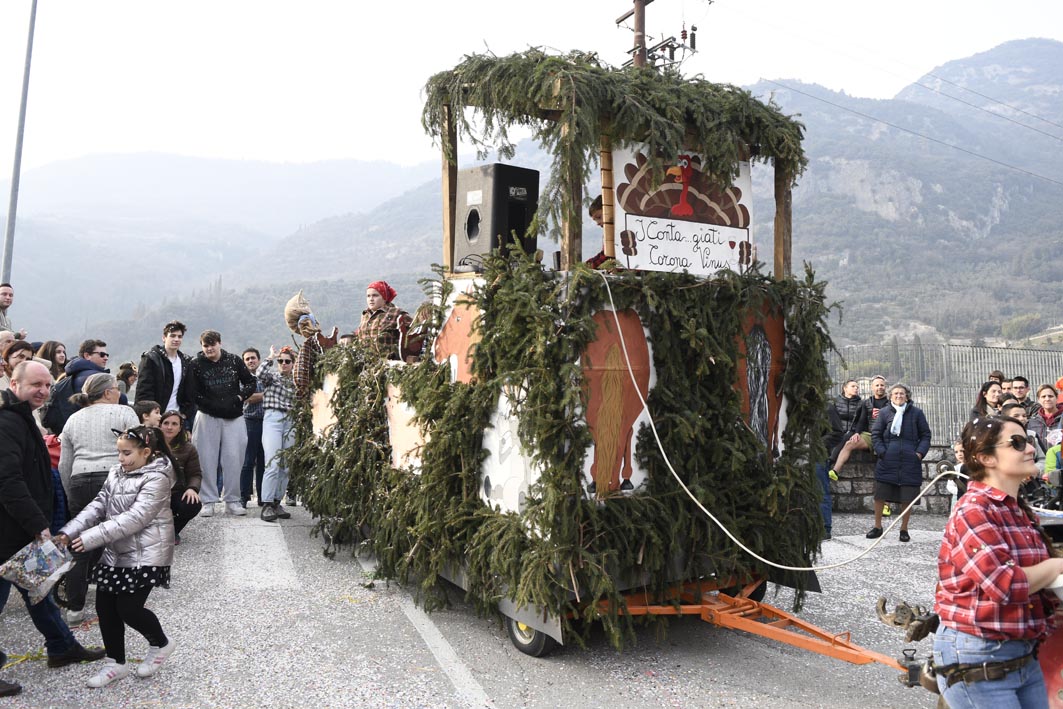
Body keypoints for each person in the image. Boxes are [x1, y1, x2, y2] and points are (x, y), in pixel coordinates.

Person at [932, 416, 1063, 707]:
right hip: (979, 658)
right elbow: (1005, 584)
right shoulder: (974, 510)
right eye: (1017, 443)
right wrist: (1056, 566)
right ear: (986, 458)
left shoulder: (1015, 509)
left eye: (1028, 440)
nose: (1030, 448)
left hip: (1022, 655)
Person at [0, 362, 106, 685]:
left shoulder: (21, 418)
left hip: (19, 528)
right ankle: (62, 646)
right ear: (14, 384)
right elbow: (7, 480)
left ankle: (61, 647)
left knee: (39, 589)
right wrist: (38, 523)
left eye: (47, 385)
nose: (44, 391)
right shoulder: (6, 422)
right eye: (36, 385)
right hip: (8, 530)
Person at [55, 425, 178, 688]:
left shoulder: (157, 478)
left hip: (147, 553)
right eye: (119, 453)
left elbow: (136, 518)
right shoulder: (116, 472)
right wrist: (69, 531)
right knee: (105, 608)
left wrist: (88, 539)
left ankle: (161, 644)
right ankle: (115, 663)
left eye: (127, 453)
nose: (121, 459)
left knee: (129, 609)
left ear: (146, 452)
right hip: (115, 552)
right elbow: (98, 504)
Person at [58, 373, 140, 623]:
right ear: (107, 393)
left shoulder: (73, 419)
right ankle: (121, 600)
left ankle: (74, 608)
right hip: (114, 478)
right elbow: (138, 452)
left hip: (80, 479)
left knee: (80, 545)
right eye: (117, 388)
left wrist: (71, 490)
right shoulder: (125, 413)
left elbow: (65, 463)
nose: (119, 392)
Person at [190, 330, 255, 517]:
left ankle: (232, 500)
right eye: (205, 345)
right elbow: (192, 392)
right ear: (202, 346)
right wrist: (210, 405)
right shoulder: (196, 364)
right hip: (206, 416)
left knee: (234, 458)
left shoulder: (234, 360)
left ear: (220, 343)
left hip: (233, 416)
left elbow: (250, 383)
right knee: (205, 458)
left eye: (213, 344)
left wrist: (240, 397)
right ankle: (207, 500)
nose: (209, 348)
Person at [867, 383, 931, 542]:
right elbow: (876, 434)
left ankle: (904, 529)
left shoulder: (917, 413)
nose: (898, 396)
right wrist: (882, 452)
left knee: (907, 497)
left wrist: (919, 453)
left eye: (902, 393)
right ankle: (877, 526)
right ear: (890, 396)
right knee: (880, 495)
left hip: (910, 461)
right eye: (895, 393)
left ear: (907, 396)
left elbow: (925, 435)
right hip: (888, 460)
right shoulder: (884, 413)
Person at [256, 346, 296, 522]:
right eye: (281, 361)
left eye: (287, 361)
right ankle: (266, 503)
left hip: (292, 418)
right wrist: (271, 357)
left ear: (293, 364)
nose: (284, 364)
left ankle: (277, 501)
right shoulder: (272, 377)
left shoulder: (297, 380)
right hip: (273, 417)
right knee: (272, 461)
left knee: (286, 464)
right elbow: (260, 373)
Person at [135, 320, 196, 424]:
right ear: (164, 338)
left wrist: (185, 414)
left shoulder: (186, 362)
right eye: (172, 336)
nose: (176, 339)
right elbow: (144, 391)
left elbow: (190, 392)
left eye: (179, 336)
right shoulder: (151, 359)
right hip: (155, 418)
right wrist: (150, 417)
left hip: (178, 419)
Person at [159, 410, 202, 543]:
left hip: (175, 491)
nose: (169, 427)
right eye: (166, 423)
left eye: (174, 424)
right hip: (152, 492)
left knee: (192, 503)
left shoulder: (188, 448)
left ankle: (173, 530)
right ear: (160, 425)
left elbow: (195, 474)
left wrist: (192, 488)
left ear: (180, 428)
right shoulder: (150, 444)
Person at [825, 379, 869, 481]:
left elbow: (861, 421)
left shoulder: (861, 403)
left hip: (851, 431)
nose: (856, 388)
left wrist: (857, 432)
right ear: (845, 388)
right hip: (836, 431)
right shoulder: (835, 402)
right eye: (853, 386)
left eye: (857, 387)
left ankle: (830, 461)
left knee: (846, 437)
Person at [357, 280, 412, 360]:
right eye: (368, 296)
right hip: (366, 363)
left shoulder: (396, 313)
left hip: (389, 363)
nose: (371, 299)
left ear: (384, 297)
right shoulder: (365, 315)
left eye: (375, 295)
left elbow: (414, 333)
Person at [239, 348, 265, 507]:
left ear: (259, 360)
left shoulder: (267, 377)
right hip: (249, 422)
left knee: (263, 461)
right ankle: (244, 496)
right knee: (248, 461)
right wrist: (266, 394)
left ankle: (263, 496)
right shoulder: (242, 379)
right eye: (247, 359)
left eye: (253, 358)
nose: (250, 361)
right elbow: (248, 398)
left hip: (266, 422)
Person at [65, 340, 127, 405]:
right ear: (87, 355)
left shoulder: (74, 373)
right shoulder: (95, 377)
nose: (106, 358)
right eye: (102, 355)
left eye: (107, 355)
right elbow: (121, 399)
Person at [1027, 384, 1063, 452]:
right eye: (1043, 396)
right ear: (1038, 399)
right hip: (1040, 460)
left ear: (1056, 398)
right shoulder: (1032, 422)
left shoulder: (1062, 418)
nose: (1047, 399)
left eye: (1050, 396)